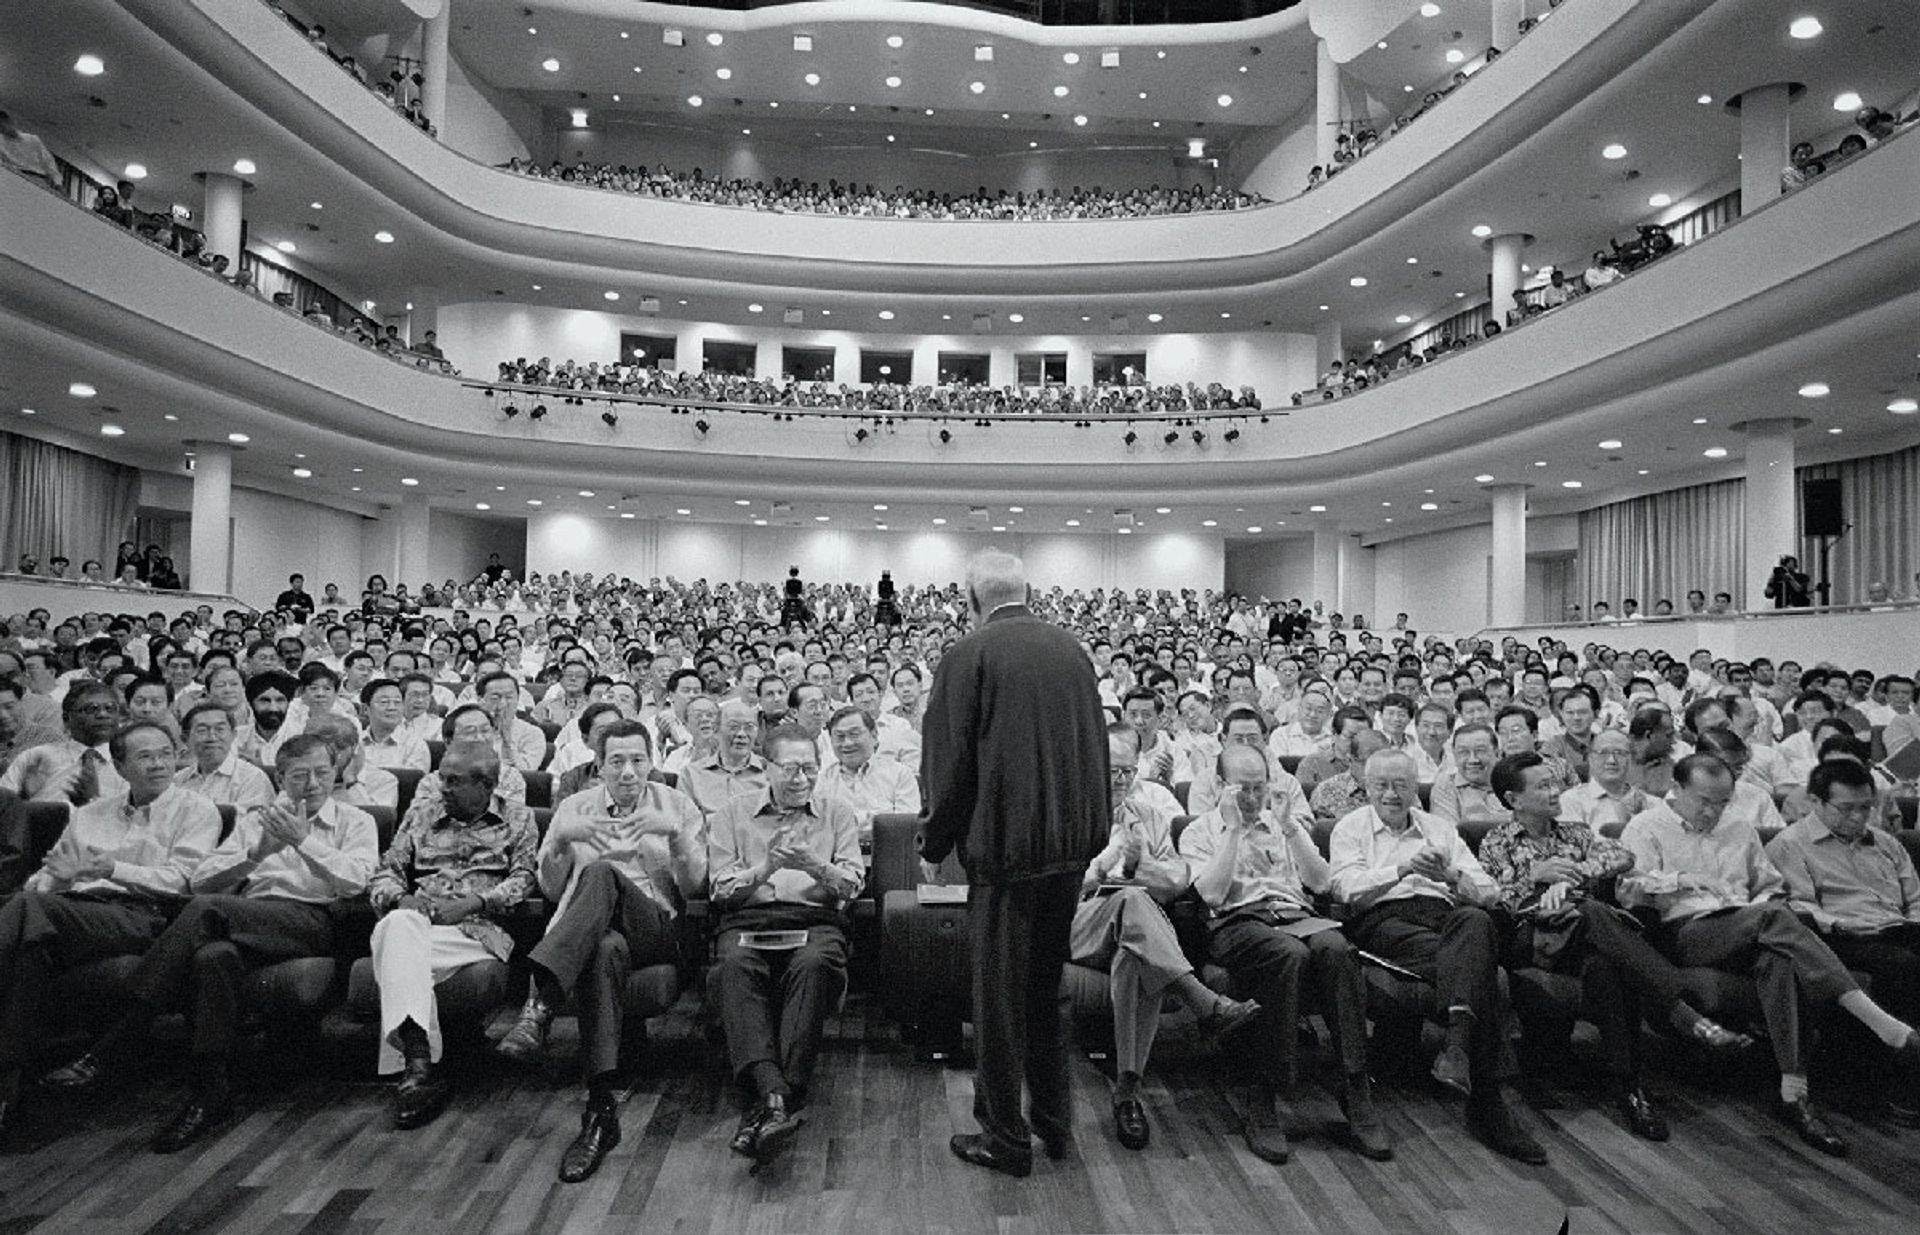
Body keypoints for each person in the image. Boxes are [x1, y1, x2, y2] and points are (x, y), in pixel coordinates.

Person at [39, 735, 376, 1151]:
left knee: (206, 910)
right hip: (247, 919)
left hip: (314, 920)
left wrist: (302, 842)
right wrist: (256, 855)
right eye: (300, 775)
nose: (313, 783)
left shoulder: (356, 821)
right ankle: (209, 1090)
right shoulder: (256, 822)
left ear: (335, 773)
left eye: (322, 773)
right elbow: (201, 880)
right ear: (281, 778)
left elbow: (357, 882)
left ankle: (115, 1043)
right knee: (214, 955)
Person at [1619, 754, 1920, 1156]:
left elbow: (1769, 886)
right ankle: (1880, 1022)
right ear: (1677, 789)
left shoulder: (1739, 828)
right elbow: (1628, 887)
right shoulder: (1646, 827)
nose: (1713, 810)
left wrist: (1757, 903)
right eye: (1704, 801)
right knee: (1774, 918)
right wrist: (1679, 880)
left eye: (1723, 801)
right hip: (1690, 931)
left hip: (1750, 926)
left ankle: (1794, 1094)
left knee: (1778, 957)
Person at [920, 550, 1109, 1178]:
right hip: (1070, 850)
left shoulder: (967, 655)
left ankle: (1005, 1138)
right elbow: (1097, 751)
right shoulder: (1072, 650)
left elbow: (948, 767)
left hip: (1006, 852)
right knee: (1044, 991)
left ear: (971, 599)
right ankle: (1054, 1125)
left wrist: (933, 843)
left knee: (998, 1000)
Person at [1479, 753, 1751, 1142]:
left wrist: (1570, 876)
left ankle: (1630, 1088)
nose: (1556, 790)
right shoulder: (1496, 841)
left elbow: (1622, 857)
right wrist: (1535, 879)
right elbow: (1495, 899)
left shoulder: (1576, 833)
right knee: (1592, 911)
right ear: (1514, 798)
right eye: (1542, 786)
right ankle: (1687, 1017)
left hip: (1584, 936)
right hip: (1534, 937)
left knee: (1605, 963)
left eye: (1555, 782)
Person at [496, 720, 705, 1182]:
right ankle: (599, 1109)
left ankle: (540, 1004)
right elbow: (551, 891)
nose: (628, 771)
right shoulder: (575, 807)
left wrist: (675, 837)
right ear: (599, 763)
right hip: (592, 938)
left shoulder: (676, 805)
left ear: (652, 762)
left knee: (602, 874)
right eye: (616, 761)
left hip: (655, 929)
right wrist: (563, 842)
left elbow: (695, 889)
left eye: (637, 760)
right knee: (604, 946)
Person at [0, 722, 222, 1141]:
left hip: (145, 917)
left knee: (29, 913)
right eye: (144, 756)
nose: (158, 763)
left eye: (164, 753)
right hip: (68, 913)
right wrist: (60, 882)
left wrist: (111, 869)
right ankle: (9, 1096)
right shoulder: (89, 814)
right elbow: (45, 880)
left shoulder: (196, 809)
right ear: (118, 766)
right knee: (30, 949)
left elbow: (184, 882)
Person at [1329, 749, 1545, 1163]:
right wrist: (1403, 868)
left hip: (1445, 916)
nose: (1391, 794)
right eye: (1382, 785)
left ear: (1417, 787)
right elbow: (1344, 890)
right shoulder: (1350, 828)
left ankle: (1458, 1049)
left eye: (1402, 785)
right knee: (1484, 971)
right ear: (1367, 787)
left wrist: (1449, 876)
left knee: (1476, 923)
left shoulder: (1439, 828)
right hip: (1384, 922)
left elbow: (1488, 892)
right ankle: (1488, 1102)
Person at [1180, 745, 1389, 1162]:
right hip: (1237, 922)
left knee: (1336, 948)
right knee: (1287, 954)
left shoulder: (1282, 825)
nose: (1254, 798)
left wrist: (1291, 826)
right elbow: (1212, 894)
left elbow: (1322, 883)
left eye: (1260, 788)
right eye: (1244, 789)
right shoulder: (1199, 830)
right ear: (1221, 786)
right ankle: (1264, 1094)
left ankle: (1355, 1087)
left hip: (1294, 915)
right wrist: (1234, 829)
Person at [1073, 727, 1258, 1151]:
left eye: (1126, 770)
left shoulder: (1151, 817)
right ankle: (1201, 999)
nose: (1119, 779)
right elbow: (1052, 888)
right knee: (1136, 904)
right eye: (1110, 770)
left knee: (1136, 947)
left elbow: (1177, 881)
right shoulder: (1063, 812)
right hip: (1076, 923)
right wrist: (1103, 870)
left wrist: (1136, 868)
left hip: (1134, 930)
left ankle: (1128, 1091)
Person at [708, 727, 863, 1164]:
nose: (801, 779)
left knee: (815, 962)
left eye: (810, 768)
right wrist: (764, 868)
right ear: (767, 767)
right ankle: (777, 1096)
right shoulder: (732, 813)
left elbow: (852, 885)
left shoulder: (837, 812)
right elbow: (720, 891)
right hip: (748, 918)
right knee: (735, 964)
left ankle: (771, 1095)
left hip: (815, 921)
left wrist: (815, 865)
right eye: (791, 769)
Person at [366, 740, 537, 1129]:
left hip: (480, 931)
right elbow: (387, 870)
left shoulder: (518, 817)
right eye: (442, 777)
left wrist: (475, 902)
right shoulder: (422, 812)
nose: (441, 787)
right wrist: (402, 896)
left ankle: (417, 1065)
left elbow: (524, 879)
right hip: (420, 924)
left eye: (453, 781)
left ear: (486, 785)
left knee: (394, 940)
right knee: (397, 924)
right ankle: (418, 1060)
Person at [1766, 758, 1920, 1119]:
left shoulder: (1885, 842)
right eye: (1846, 809)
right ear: (1816, 803)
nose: (1858, 818)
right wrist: (1837, 923)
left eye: (1866, 807)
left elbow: (1914, 897)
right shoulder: (1790, 845)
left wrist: (1913, 923)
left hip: (1896, 928)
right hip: (1838, 935)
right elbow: (1797, 906)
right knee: (1902, 967)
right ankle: (1898, 1082)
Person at [0, 681, 126, 803]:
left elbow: (139, 817)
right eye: (91, 709)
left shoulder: (130, 760)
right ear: (66, 719)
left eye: (110, 708)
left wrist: (95, 802)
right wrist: (22, 797)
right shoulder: (36, 758)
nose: (103, 714)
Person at [812, 706, 919, 848]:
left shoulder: (899, 774)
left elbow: (906, 827)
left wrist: (845, 825)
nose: (847, 743)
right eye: (840, 737)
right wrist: (874, 821)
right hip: (838, 860)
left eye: (854, 734)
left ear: (874, 735)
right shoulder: (822, 779)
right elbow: (818, 829)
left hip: (889, 857)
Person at [172, 701, 274, 810]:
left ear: (233, 735)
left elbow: (250, 822)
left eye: (219, 729)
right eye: (202, 731)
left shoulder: (252, 778)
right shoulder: (177, 781)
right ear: (185, 739)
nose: (212, 737)